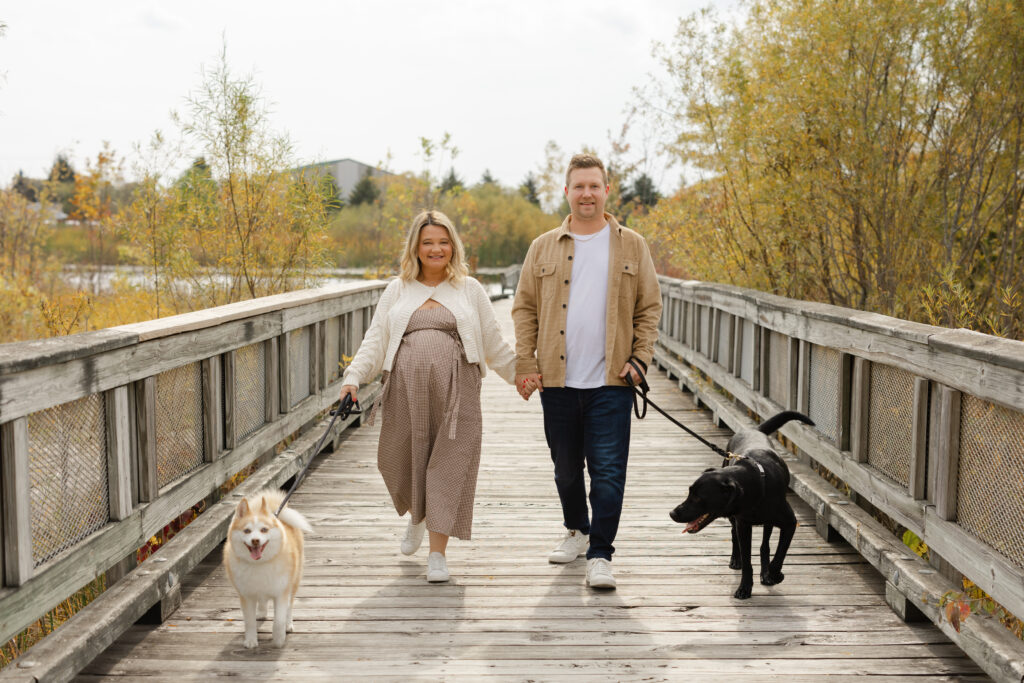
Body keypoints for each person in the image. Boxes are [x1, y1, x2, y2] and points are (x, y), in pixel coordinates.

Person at [511, 153, 662, 589]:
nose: (587, 194)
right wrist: (526, 362)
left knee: (608, 471)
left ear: (607, 190)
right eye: (579, 186)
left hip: (612, 380)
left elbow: (649, 307)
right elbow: (524, 308)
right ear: (566, 192)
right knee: (565, 469)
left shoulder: (632, 245)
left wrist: (640, 358)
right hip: (557, 380)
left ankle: (600, 553)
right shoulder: (542, 246)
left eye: (594, 185)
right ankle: (577, 530)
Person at [340, 210, 516, 583]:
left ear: (453, 246)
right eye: (428, 243)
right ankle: (418, 516)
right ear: (415, 248)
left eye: (443, 242)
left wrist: (524, 376)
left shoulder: (470, 289)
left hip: (459, 390)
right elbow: (376, 339)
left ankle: (438, 554)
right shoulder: (398, 289)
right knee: (402, 460)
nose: (436, 249)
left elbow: (494, 341)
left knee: (449, 465)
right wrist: (353, 378)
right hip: (405, 392)